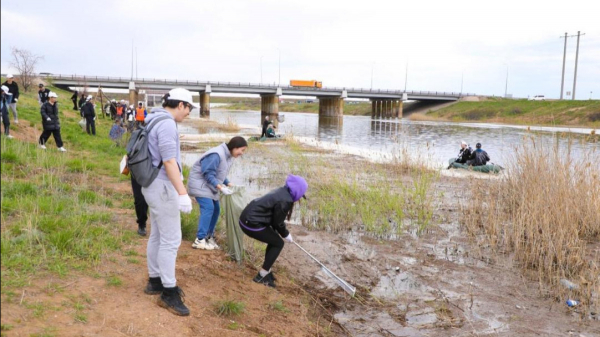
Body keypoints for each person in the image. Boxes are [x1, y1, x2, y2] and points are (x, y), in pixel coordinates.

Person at [141, 88, 196, 316]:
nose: (188, 114)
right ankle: (169, 292)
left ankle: (155, 281)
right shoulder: (166, 124)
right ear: (181, 104)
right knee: (172, 240)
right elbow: (169, 162)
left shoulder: (153, 118)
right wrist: (182, 193)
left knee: (158, 235)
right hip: (162, 187)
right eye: (189, 109)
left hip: (151, 185)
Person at [239, 174, 308, 288]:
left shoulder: (282, 191)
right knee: (278, 243)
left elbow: (275, 219)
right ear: (297, 191)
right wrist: (286, 234)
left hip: (247, 219)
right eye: (301, 194)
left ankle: (266, 271)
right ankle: (261, 276)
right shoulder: (285, 200)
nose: (300, 197)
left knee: (274, 239)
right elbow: (277, 222)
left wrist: (282, 232)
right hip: (251, 223)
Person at [188, 136, 248, 250]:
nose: (242, 153)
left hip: (209, 186)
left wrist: (228, 183)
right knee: (209, 207)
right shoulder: (216, 154)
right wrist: (220, 187)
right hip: (200, 184)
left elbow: (220, 173)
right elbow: (208, 173)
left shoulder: (229, 156)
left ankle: (208, 237)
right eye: (242, 150)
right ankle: (199, 240)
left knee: (216, 209)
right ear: (235, 147)